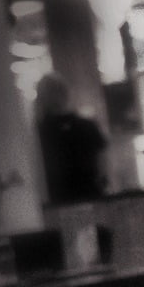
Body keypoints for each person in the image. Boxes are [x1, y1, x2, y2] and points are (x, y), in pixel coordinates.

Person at [34, 72, 108, 203]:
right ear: (66, 94)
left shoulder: (38, 132)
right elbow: (103, 166)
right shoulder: (87, 126)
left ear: (41, 98)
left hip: (57, 200)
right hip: (90, 195)